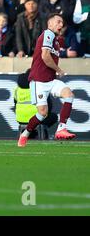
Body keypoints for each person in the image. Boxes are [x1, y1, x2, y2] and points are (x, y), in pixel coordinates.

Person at [18, 13, 77, 147]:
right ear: (49, 24)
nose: (61, 25)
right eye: (58, 22)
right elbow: (45, 56)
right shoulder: (48, 34)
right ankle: (26, 133)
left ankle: (61, 128)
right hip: (38, 81)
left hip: (50, 80)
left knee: (69, 95)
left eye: (62, 23)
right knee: (42, 114)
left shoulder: (56, 40)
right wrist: (59, 70)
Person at [14, 69, 58, 140]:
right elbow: (48, 106)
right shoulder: (39, 88)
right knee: (53, 116)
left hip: (20, 119)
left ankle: (30, 134)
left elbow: (15, 104)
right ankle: (41, 133)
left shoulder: (17, 89)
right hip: (36, 118)